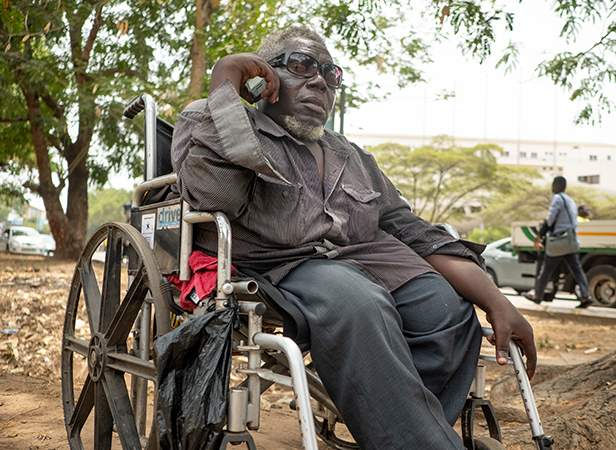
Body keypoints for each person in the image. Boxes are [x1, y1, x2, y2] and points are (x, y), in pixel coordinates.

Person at [171, 26, 536, 450]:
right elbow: (219, 198)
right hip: (279, 265)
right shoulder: (210, 118)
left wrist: (497, 301)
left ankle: (396, 428)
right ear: (262, 78)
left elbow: (414, 232)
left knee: (448, 310)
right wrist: (225, 81)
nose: (320, 80)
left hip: (365, 261)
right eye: (301, 65)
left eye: (330, 72)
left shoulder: (355, 157)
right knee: (360, 302)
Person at [523, 176, 593, 309]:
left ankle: (537, 296)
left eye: (553, 185)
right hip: (571, 240)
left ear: (557, 186)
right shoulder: (571, 200)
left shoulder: (557, 198)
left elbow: (550, 220)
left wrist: (540, 235)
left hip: (559, 241)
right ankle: (586, 296)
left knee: (546, 269)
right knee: (577, 269)